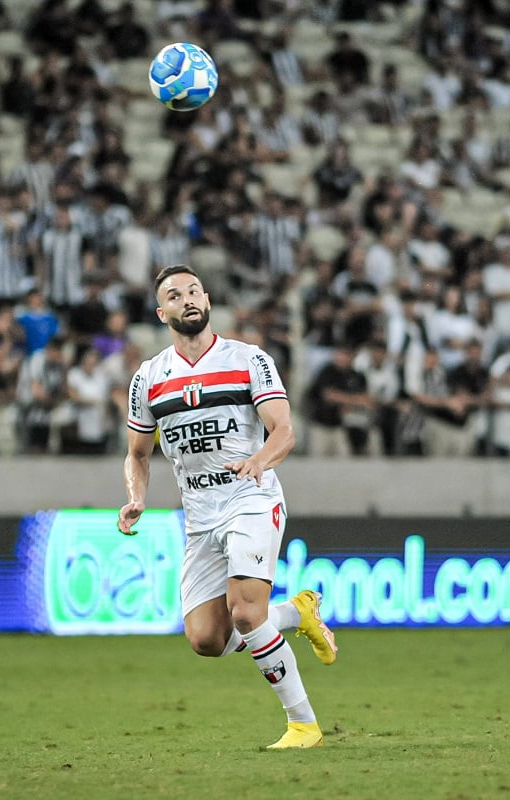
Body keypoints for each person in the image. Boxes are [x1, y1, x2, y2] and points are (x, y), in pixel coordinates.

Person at [118, 265, 337, 750]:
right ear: (162, 313)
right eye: (175, 295)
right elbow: (137, 453)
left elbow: (283, 430)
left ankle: (303, 723)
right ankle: (296, 614)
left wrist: (260, 460)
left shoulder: (248, 359)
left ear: (208, 300)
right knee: (206, 640)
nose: (187, 299)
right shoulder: (148, 378)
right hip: (199, 515)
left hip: (250, 498)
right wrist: (137, 497)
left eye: (194, 291)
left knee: (243, 611)